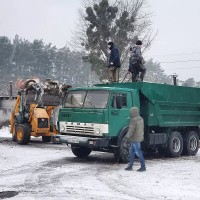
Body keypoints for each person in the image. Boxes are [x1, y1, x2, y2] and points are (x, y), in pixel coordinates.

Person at [125, 107, 146, 172]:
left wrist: (127, 136)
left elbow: (131, 130)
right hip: (139, 137)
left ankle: (143, 167)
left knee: (138, 152)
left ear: (133, 112)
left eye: (131, 112)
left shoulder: (133, 120)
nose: (130, 113)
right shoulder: (141, 118)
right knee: (132, 152)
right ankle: (130, 166)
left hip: (134, 138)